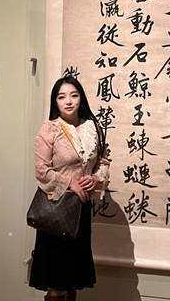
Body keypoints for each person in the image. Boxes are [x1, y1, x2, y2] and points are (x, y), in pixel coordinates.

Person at [29, 76, 110, 300]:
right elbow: (41, 171)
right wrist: (70, 182)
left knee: (73, 279)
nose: (68, 101)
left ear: (81, 98)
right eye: (61, 96)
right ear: (55, 101)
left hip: (81, 210)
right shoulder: (49, 129)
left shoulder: (93, 128)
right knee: (57, 284)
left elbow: (104, 161)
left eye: (74, 95)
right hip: (57, 212)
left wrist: (95, 179)